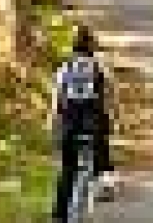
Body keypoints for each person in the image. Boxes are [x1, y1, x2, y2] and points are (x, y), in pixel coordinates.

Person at [51, 25, 116, 222]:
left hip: (69, 123)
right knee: (101, 143)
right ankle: (104, 179)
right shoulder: (97, 67)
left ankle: (59, 214)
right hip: (91, 124)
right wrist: (114, 118)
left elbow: (57, 100)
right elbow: (108, 96)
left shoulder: (65, 68)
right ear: (91, 46)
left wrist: (54, 123)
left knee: (67, 169)